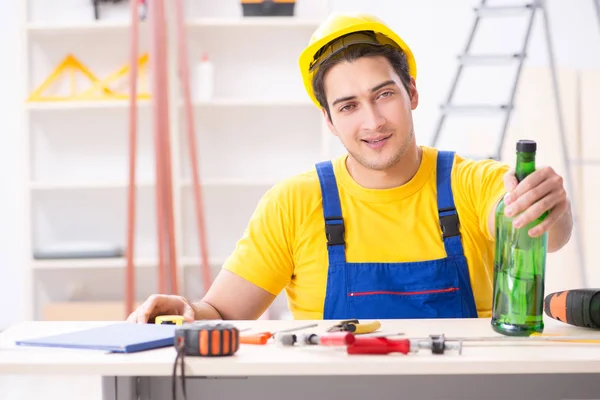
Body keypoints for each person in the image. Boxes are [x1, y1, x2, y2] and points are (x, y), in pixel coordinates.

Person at [128, 13, 573, 324]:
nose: (373, 122)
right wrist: (184, 311)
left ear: (411, 93)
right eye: (348, 106)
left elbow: (542, 232)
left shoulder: (471, 183)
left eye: (384, 95)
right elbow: (223, 314)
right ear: (329, 120)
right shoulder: (296, 202)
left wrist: (546, 208)